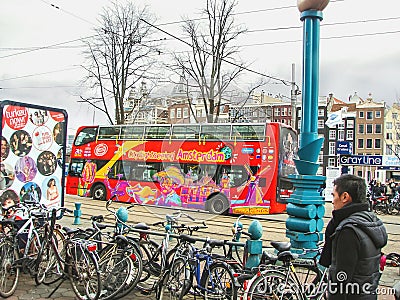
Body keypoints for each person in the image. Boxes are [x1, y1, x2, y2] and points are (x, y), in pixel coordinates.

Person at [320, 174, 388, 299]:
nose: (332, 201)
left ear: (345, 197)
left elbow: (341, 278)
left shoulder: (348, 231)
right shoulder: (370, 220)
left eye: (334, 195)